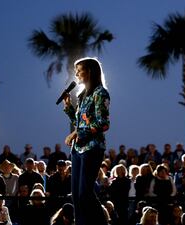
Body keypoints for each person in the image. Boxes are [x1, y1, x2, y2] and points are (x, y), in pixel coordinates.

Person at [63, 57, 110, 225]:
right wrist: (69, 108)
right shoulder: (83, 95)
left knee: (85, 193)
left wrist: (77, 133)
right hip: (77, 150)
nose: (76, 74)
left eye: (79, 70)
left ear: (90, 71)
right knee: (76, 195)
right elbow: (80, 122)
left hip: (92, 148)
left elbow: (103, 123)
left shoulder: (100, 93)